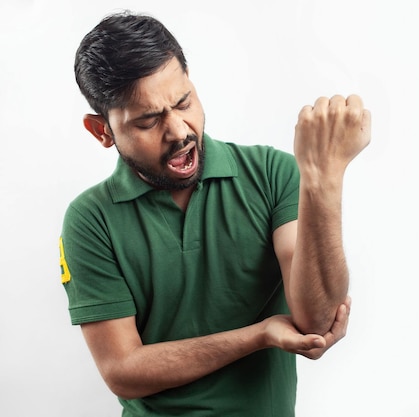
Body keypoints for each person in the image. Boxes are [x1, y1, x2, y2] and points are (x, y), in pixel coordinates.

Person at [59, 10, 371, 417]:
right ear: (102, 131)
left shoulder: (271, 174)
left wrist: (323, 177)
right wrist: (259, 336)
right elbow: (123, 370)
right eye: (149, 121)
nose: (180, 132)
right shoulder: (90, 220)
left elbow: (316, 319)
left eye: (183, 102)